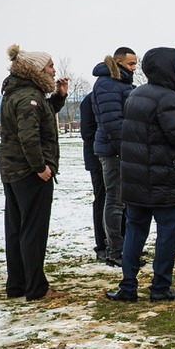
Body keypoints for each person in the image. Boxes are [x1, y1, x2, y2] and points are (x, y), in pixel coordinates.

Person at [106, 46, 175, 303]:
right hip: (164, 177)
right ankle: (159, 287)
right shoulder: (167, 97)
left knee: (134, 232)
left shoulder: (136, 94)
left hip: (136, 179)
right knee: (167, 233)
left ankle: (128, 286)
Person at [0, 44, 68, 301]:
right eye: (50, 66)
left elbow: (42, 114)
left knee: (16, 230)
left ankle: (17, 285)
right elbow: (29, 137)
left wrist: (59, 97)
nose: (54, 71)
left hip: (13, 171)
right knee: (33, 231)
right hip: (29, 173)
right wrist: (40, 168)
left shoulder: (19, 92)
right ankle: (37, 289)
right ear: (37, 69)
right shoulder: (29, 96)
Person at [90, 47, 138, 268]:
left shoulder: (121, 82)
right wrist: (123, 149)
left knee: (123, 201)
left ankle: (124, 248)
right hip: (113, 151)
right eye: (130, 64)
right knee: (115, 201)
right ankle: (115, 251)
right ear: (118, 62)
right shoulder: (107, 83)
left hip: (120, 149)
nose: (134, 68)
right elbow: (112, 122)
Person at [79, 89, 106, 261]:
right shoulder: (91, 100)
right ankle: (102, 244)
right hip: (98, 159)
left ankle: (119, 241)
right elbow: (87, 133)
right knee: (102, 200)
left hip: (112, 155)